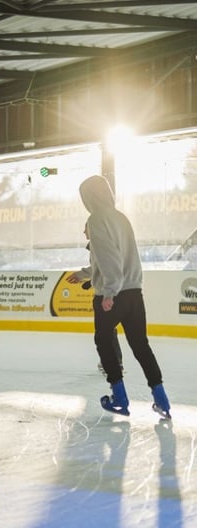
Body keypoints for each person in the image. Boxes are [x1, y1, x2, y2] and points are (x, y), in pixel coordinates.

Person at [76, 175, 171, 419]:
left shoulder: (96, 219)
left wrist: (109, 291)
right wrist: (84, 274)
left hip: (113, 294)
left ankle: (119, 397)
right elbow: (112, 257)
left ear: (89, 197)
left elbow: (109, 258)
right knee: (140, 345)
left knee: (103, 341)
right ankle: (162, 400)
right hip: (134, 293)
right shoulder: (121, 217)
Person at [66, 223, 123, 377]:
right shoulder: (102, 243)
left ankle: (112, 363)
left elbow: (101, 268)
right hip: (110, 291)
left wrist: (81, 275)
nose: (83, 231)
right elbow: (100, 269)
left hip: (107, 293)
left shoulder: (99, 244)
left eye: (85, 228)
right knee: (108, 329)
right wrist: (89, 281)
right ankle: (114, 361)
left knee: (105, 331)